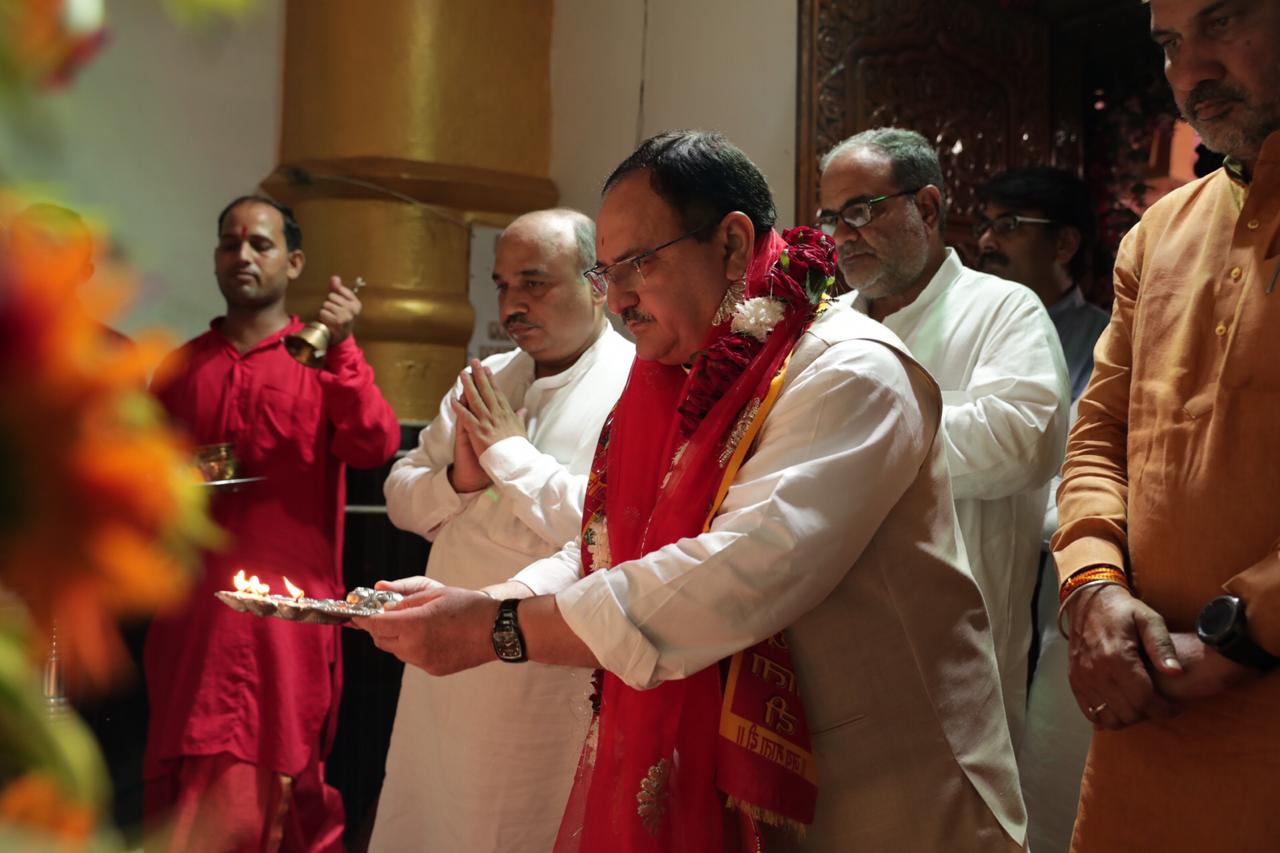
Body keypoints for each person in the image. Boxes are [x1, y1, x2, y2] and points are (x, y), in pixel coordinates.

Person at [355, 130, 1026, 852]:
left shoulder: (850, 374)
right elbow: (606, 543)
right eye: (607, 271)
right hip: (741, 782)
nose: (616, 299)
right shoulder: (679, 376)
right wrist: (491, 602)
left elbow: (730, 572)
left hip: (886, 789)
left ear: (734, 245)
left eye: (637, 265)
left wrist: (497, 628)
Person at [1054, 0, 1280, 849]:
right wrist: (1094, 588)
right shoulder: (1160, 234)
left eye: (1221, 24)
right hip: (1145, 725)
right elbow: (1098, 437)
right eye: (1171, 44)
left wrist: (1238, 638)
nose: (1189, 72)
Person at [369, 209, 633, 853]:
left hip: (535, 664)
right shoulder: (486, 378)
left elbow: (607, 531)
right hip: (442, 656)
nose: (513, 303)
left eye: (534, 283)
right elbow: (400, 496)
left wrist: (510, 458)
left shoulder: (635, 385)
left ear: (598, 282)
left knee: (515, 824)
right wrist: (458, 479)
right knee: (429, 812)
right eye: (502, 284)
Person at [144, 196, 399, 852]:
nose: (243, 256)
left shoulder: (319, 361)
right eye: (230, 244)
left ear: (295, 260)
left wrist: (343, 350)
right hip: (192, 618)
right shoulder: (180, 370)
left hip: (282, 625)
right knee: (184, 777)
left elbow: (373, 444)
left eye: (260, 244)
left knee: (279, 782)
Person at [818, 128, 1070, 745]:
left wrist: (855, 433)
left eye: (862, 211)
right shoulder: (825, 326)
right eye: (831, 219)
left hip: (956, 659)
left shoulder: (1003, 309)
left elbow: (1024, 440)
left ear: (926, 208)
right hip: (832, 643)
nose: (844, 235)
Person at [974, 166, 1109, 852]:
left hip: (1061, 588)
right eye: (987, 223)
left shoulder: (1108, 341)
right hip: (978, 580)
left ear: (1063, 246)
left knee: (1050, 795)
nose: (987, 240)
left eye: (1009, 226)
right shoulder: (977, 326)